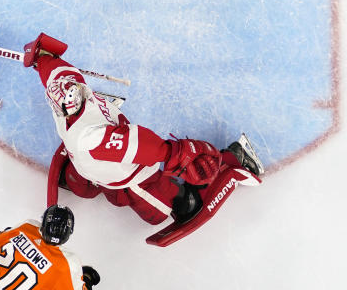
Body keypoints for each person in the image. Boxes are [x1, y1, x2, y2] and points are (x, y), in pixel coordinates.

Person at [22, 32, 265, 234]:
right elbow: (52, 68)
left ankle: (234, 158)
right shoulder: (66, 92)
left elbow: (140, 147)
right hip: (100, 159)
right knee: (94, 187)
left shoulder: (77, 110)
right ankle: (94, 178)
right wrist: (41, 59)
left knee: (165, 211)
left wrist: (175, 154)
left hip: (133, 174)